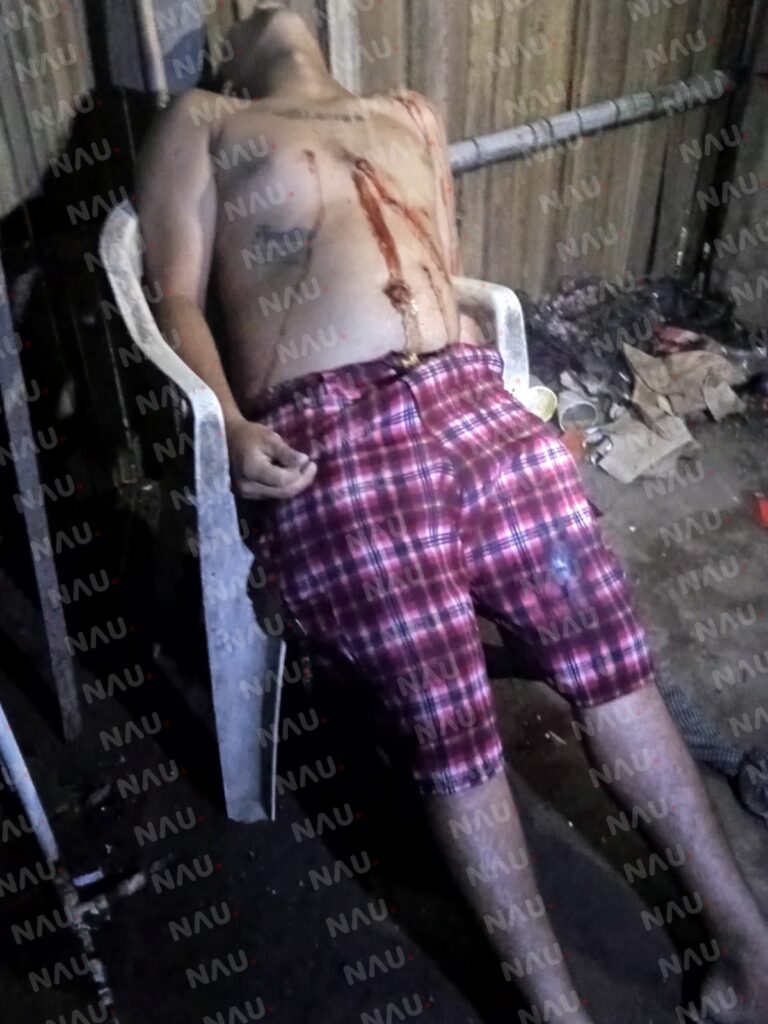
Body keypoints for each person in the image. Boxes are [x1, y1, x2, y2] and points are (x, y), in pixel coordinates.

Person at [136, 6, 768, 1021]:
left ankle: (752, 949)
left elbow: (441, 263)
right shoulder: (206, 120)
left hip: (471, 399)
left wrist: (506, 390)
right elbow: (172, 296)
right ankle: (554, 1009)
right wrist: (230, 424)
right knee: (448, 713)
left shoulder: (410, 114)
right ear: (233, 55)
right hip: (333, 424)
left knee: (613, 660)